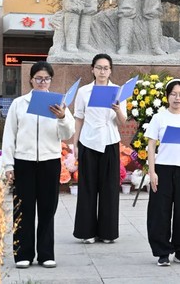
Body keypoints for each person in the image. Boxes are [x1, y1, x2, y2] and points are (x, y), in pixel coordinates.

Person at [1, 61, 75, 269]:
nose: (43, 82)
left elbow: (68, 134)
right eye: (39, 78)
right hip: (24, 162)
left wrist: (62, 117)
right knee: (23, 209)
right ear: (31, 80)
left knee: (47, 209)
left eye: (46, 79)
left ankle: (46, 254)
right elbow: (9, 136)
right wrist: (8, 165)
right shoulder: (19, 104)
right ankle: (23, 254)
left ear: (51, 80)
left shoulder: (59, 104)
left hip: (49, 162)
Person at [144, 79, 180, 267]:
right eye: (174, 94)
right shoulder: (159, 118)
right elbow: (151, 145)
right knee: (160, 211)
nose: (177, 98)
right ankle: (162, 252)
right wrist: (152, 171)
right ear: (167, 96)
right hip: (164, 168)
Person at [73, 53, 127, 244]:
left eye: (106, 68)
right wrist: (75, 144)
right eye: (99, 67)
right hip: (88, 141)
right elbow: (79, 118)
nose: (102, 71)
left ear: (110, 71)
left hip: (110, 141)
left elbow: (123, 121)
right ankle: (86, 232)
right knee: (87, 187)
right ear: (92, 69)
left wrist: (117, 109)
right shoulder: (84, 92)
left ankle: (107, 232)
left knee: (109, 188)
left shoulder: (118, 91)